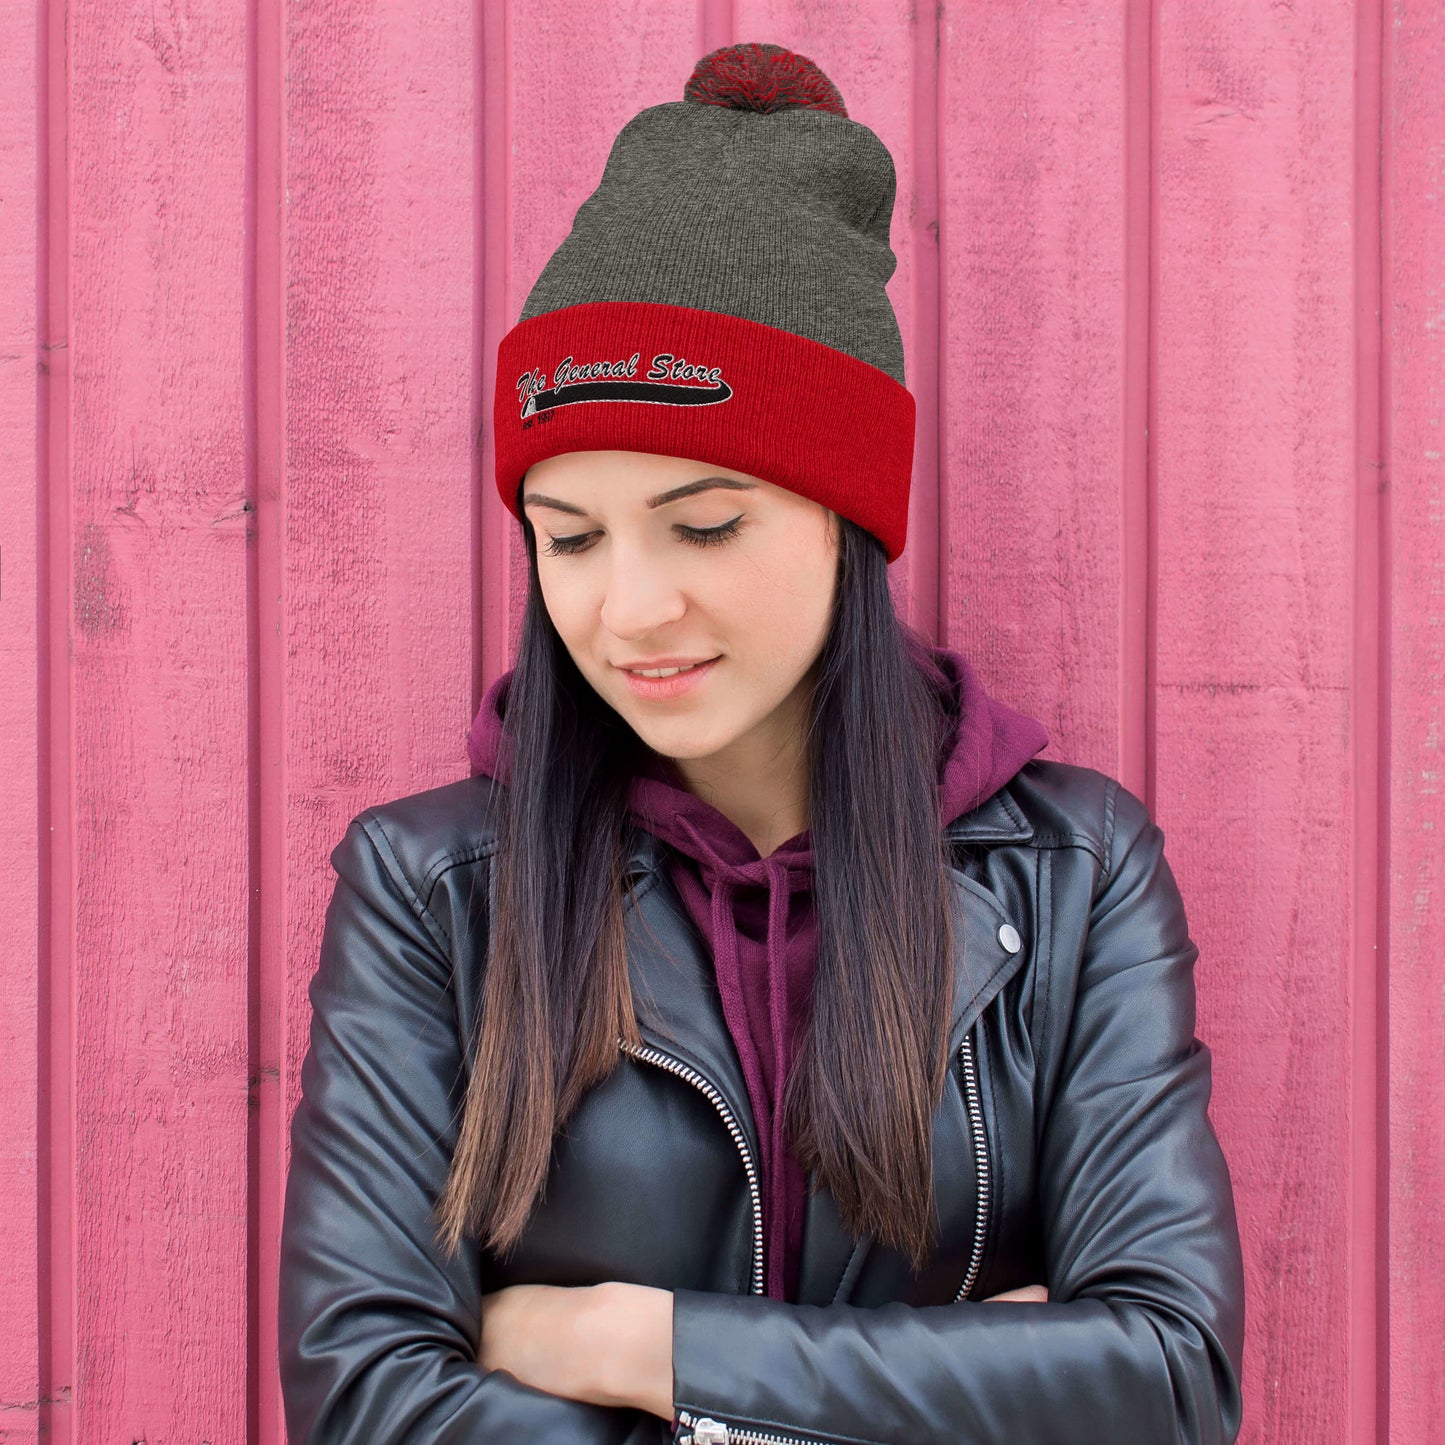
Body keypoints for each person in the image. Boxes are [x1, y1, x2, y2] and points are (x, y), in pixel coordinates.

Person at [278, 40, 1246, 1445]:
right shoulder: (434, 890)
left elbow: (1164, 1380)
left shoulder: (1072, 868)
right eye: (569, 537)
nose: (629, 607)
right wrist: (962, 1377)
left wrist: (630, 1339)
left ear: (846, 518)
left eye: (705, 523)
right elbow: (368, 1400)